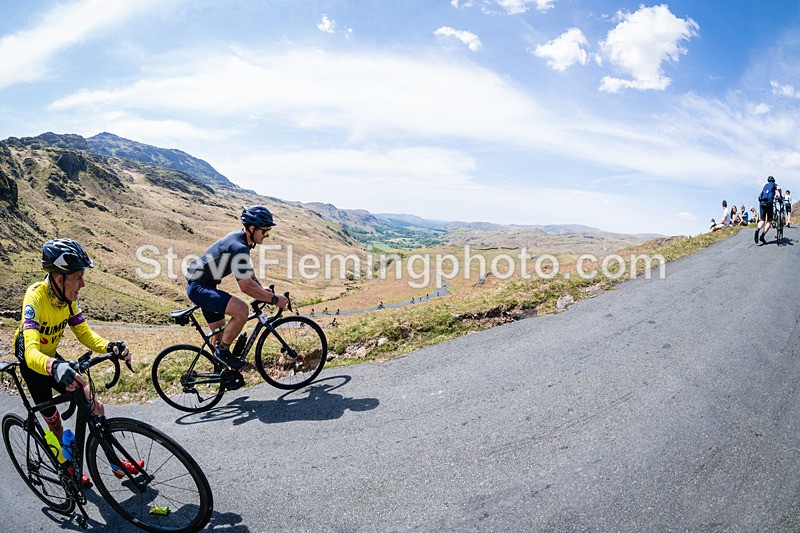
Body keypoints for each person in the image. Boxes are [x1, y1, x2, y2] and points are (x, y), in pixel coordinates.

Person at [13, 239, 133, 484]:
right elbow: (32, 350)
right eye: (78, 277)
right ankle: (66, 469)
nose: (83, 283)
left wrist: (109, 346)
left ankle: (117, 464)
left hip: (52, 358)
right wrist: (53, 366)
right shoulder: (35, 297)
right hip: (33, 362)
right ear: (60, 279)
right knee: (55, 422)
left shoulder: (68, 299)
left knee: (94, 404)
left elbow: (84, 333)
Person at [186, 205, 287, 368]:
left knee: (218, 337)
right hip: (200, 288)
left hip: (205, 285)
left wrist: (261, 290)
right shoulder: (239, 246)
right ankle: (224, 355)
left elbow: (249, 274)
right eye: (265, 231)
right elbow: (245, 286)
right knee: (241, 310)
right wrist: (274, 299)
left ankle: (220, 373)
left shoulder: (242, 241)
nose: (267, 236)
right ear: (252, 228)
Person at [756, 176, 782, 245]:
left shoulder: (765, 186)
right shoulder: (773, 184)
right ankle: (762, 236)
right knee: (769, 221)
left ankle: (757, 229)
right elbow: (779, 188)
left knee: (762, 220)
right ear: (773, 181)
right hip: (769, 202)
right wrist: (781, 195)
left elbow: (761, 195)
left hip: (762, 202)